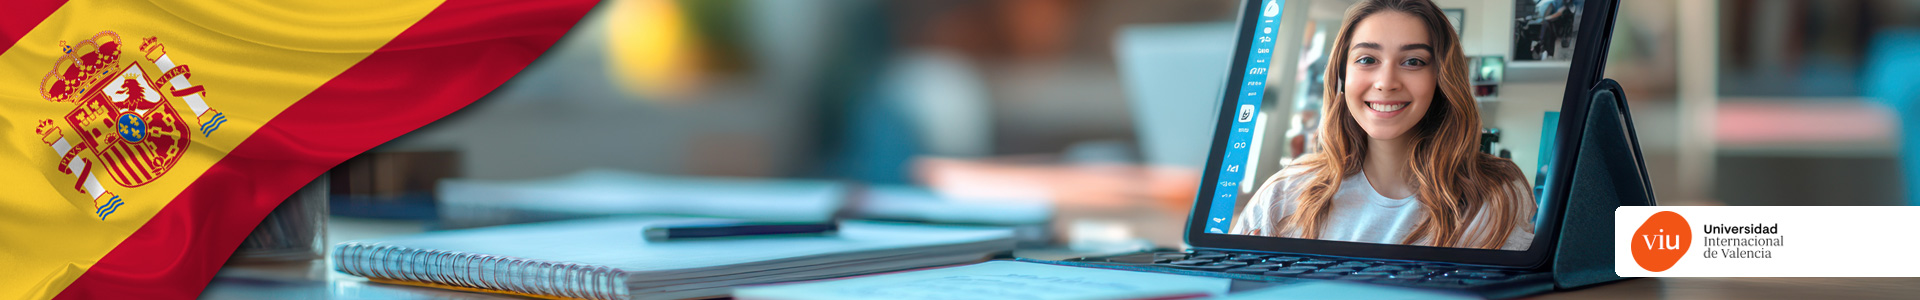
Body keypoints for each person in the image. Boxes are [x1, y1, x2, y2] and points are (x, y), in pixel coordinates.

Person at [1230, 0, 1536, 250]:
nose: (1386, 83)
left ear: (1441, 79)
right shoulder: (1284, 193)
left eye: (1413, 61)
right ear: (1341, 76)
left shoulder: (1495, 196)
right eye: (1366, 59)